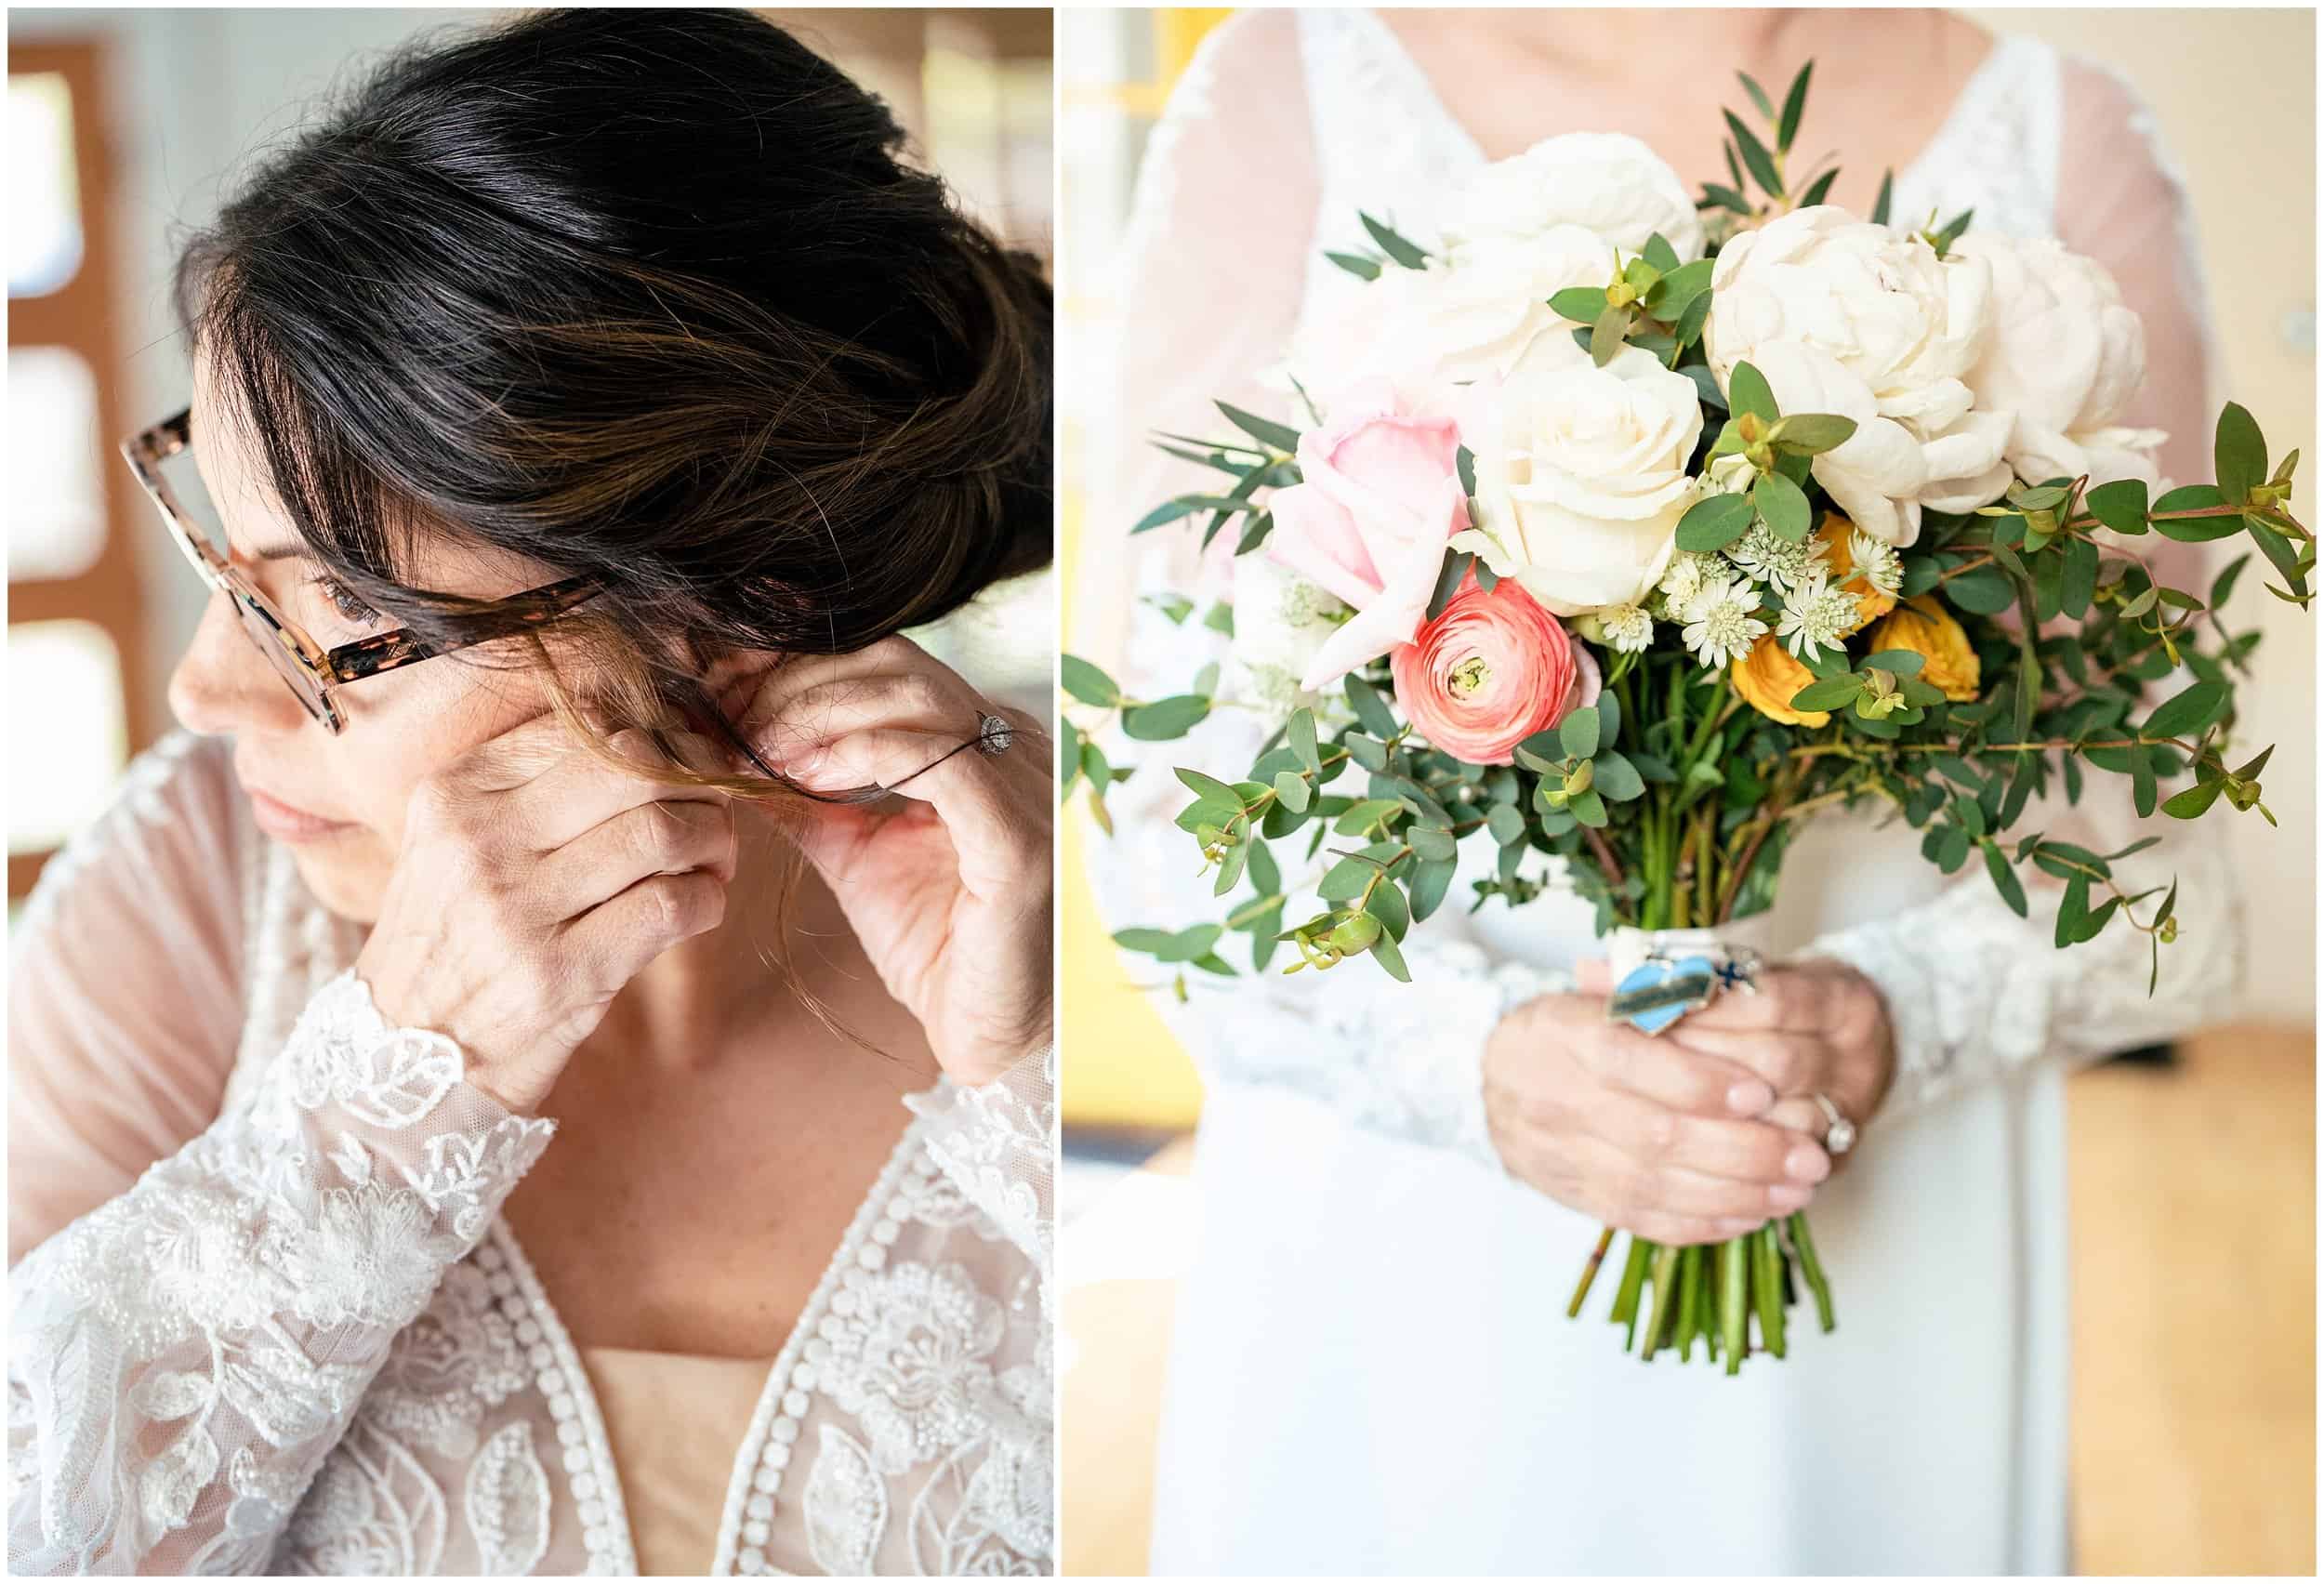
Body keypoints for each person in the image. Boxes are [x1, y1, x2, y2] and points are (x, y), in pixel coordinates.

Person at [1082, 7, 2238, 1573]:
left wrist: (1897, 1015)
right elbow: (1166, 777)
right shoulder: (1294, 86)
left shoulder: (2060, 133)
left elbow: (2158, 804)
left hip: (1868, 1184)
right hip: (1413, 1240)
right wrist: (1473, 1065)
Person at [7, 10, 1054, 1576]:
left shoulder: (1056, 885)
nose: (205, 692)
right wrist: (376, 1109)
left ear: (731, 606)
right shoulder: (192, 882)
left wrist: (1030, 1078)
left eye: (342, 620)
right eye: (221, 558)